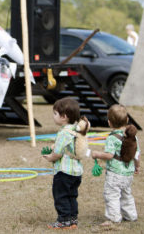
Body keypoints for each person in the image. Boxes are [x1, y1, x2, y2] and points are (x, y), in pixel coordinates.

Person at [91, 104, 140, 227]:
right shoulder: (133, 137)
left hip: (115, 173)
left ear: (109, 123)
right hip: (128, 173)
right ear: (127, 120)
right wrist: (137, 166)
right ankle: (131, 215)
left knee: (111, 194)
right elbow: (136, 155)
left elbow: (109, 155)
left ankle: (114, 218)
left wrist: (97, 154)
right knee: (126, 194)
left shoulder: (112, 138)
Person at [43, 97, 84, 229]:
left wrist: (50, 157)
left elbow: (58, 154)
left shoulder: (63, 133)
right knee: (72, 195)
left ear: (64, 117)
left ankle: (64, 220)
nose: (53, 116)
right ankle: (72, 219)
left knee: (61, 196)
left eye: (55, 113)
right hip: (76, 172)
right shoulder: (76, 130)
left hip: (64, 172)